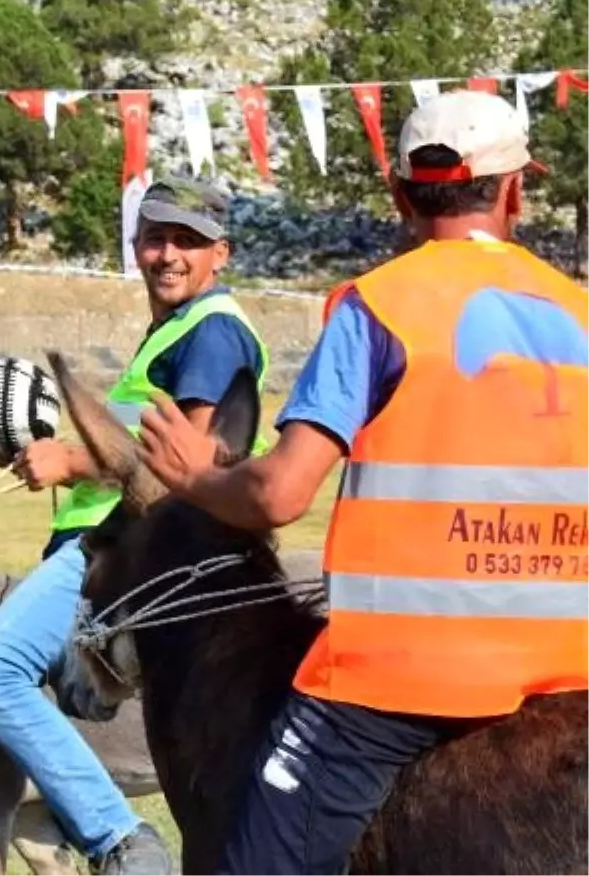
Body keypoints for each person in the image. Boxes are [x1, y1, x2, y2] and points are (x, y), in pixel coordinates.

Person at [136, 90, 589, 875]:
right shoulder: (579, 312)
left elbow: (280, 496)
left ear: (400, 194)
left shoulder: (376, 307)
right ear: (515, 190)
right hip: (568, 660)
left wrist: (194, 478)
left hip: (399, 681)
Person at [0, 178, 272, 876]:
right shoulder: (174, 330)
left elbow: (177, 467)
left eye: (187, 241)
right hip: (105, 540)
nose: (167, 254)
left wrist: (68, 458)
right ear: (135, 247)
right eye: (155, 237)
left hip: (125, 549)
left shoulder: (212, 332)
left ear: (221, 252)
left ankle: (121, 843)